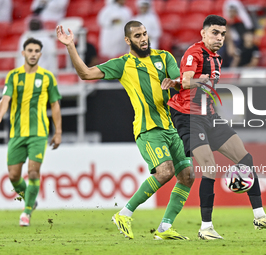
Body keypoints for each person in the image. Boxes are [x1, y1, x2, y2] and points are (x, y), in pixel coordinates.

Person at [56, 21, 194, 240]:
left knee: (187, 176)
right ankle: (124, 214)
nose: (143, 39)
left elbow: (182, 82)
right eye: (138, 35)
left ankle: (165, 228)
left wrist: (175, 83)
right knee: (165, 171)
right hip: (149, 129)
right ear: (128, 40)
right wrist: (70, 46)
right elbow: (85, 74)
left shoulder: (165, 57)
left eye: (145, 34)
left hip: (172, 127)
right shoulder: (122, 64)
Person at [167, 15, 266, 240]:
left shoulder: (217, 58)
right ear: (203, 33)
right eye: (214, 32)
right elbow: (186, 80)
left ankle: (259, 216)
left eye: (222, 34)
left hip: (209, 116)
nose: (219, 37)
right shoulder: (194, 52)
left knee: (245, 159)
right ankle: (205, 228)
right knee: (209, 167)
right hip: (188, 116)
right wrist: (200, 81)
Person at [0, 37, 62, 226]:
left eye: (36, 51)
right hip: (17, 133)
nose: (33, 54)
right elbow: (6, 99)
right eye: (30, 51)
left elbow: (55, 105)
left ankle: (26, 213)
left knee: (33, 172)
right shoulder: (13, 76)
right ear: (23, 53)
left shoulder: (47, 77)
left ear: (40, 54)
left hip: (39, 133)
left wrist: (58, 132)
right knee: (13, 176)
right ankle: (30, 199)